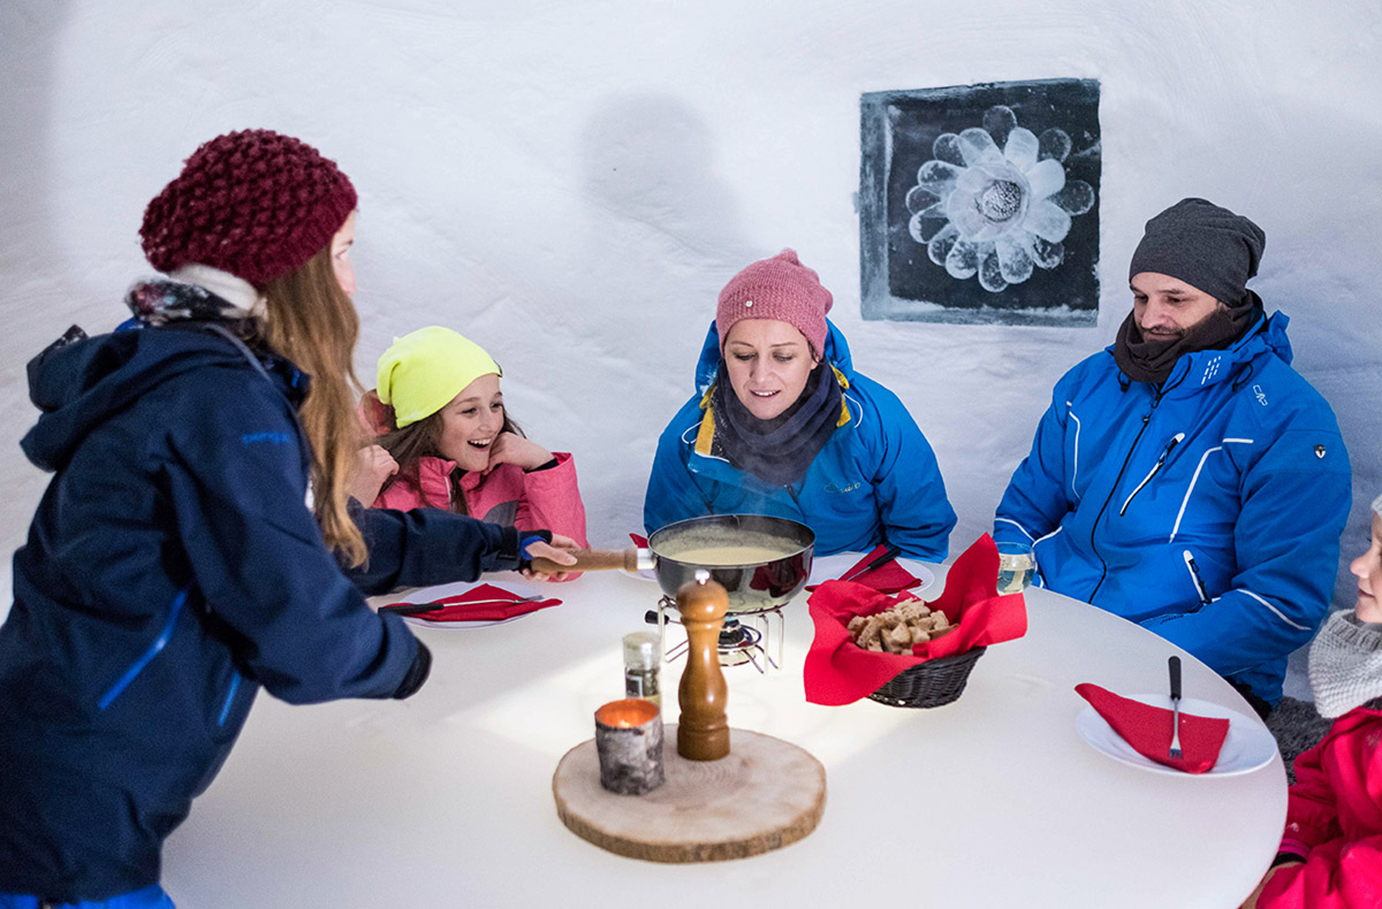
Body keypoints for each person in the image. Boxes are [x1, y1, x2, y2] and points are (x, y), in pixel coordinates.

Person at [0, 129, 575, 909]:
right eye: (341, 252)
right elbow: (297, 622)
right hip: (73, 818)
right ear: (284, 273)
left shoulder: (184, 371)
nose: (352, 278)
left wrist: (498, 542)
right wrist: (402, 660)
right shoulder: (221, 402)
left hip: (70, 769)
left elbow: (321, 541)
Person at [993, 198, 1350, 715]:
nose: (1150, 318)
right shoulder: (1089, 383)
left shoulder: (1288, 420)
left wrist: (1133, 656)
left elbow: (1281, 605)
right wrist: (1016, 595)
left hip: (1188, 667)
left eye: (1175, 298)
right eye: (1140, 297)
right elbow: (1023, 511)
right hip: (1057, 626)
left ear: (1226, 301)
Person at [643, 248, 956, 559]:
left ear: (815, 356)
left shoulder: (874, 422)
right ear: (723, 354)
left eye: (783, 356)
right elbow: (676, 550)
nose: (761, 376)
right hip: (746, 597)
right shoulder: (688, 440)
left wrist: (870, 602)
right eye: (743, 355)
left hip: (860, 593)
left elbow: (920, 538)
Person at [1241, 493, 1382, 908]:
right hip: (1325, 869)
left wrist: (1277, 893)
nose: (1358, 566)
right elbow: (1326, 778)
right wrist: (1290, 848)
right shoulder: (1366, 681)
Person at [352, 326, 588, 549]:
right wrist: (352, 499)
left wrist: (543, 466)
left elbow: (564, 563)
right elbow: (334, 574)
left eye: (495, 405)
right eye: (469, 410)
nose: (491, 424)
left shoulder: (507, 472)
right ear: (425, 422)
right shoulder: (373, 476)